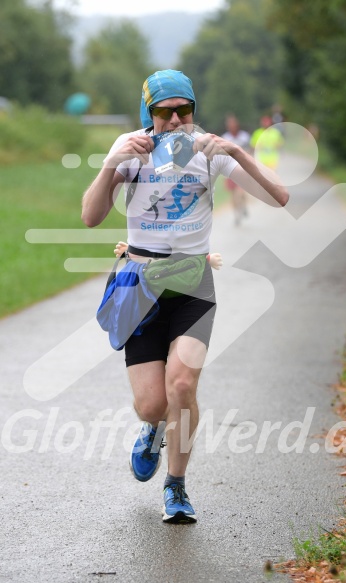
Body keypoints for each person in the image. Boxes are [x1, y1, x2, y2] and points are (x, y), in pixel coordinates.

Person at [81, 69, 288, 524]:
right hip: (140, 286)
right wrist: (110, 164)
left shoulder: (208, 151)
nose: (175, 121)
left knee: (182, 384)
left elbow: (279, 197)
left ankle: (175, 487)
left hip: (193, 284)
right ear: (147, 113)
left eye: (184, 110)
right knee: (152, 404)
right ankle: (151, 429)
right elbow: (91, 217)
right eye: (163, 112)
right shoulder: (131, 151)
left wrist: (235, 151)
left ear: (194, 109)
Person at [221, 114, 251, 225]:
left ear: (237, 125)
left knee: (241, 192)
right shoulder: (225, 138)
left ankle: (243, 206)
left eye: (233, 124)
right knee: (233, 194)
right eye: (230, 124)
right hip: (230, 170)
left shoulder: (244, 137)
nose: (232, 126)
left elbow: (250, 152)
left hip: (242, 169)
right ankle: (237, 215)